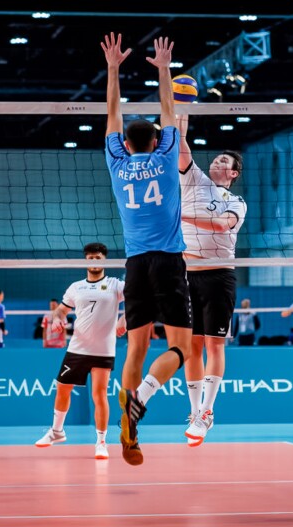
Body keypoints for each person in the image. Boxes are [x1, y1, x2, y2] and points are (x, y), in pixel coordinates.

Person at [102, 32, 193, 466]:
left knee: (134, 350)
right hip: (169, 263)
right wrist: (163, 71)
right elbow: (169, 110)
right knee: (182, 349)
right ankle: (142, 400)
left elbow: (112, 115)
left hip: (135, 265)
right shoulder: (166, 158)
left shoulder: (117, 163)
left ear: (126, 145)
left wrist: (114, 68)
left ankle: (129, 427)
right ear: (157, 143)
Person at [176, 113, 246, 446]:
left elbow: (220, 225)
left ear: (233, 172)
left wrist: (179, 215)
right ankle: (194, 411)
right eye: (215, 158)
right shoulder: (194, 180)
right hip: (186, 274)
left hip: (219, 274)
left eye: (224, 161)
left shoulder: (236, 202)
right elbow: (180, 146)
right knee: (191, 347)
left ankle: (208, 409)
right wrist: (179, 117)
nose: (217, 161)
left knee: (214, 344)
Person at [35, 242, 126, 459]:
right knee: (62, 388)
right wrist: (58, 319)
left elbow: (138, 301)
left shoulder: (115, 285)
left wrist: (125, 319)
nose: (94, 261)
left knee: (99, 394)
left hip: (103, 350)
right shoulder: (76, 287)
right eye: (91, 258)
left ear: (105, 260)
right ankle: (57, 431)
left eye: (98, 258)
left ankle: (101, 442)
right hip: (77, 348)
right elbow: (60, 310)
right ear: (86, 260)